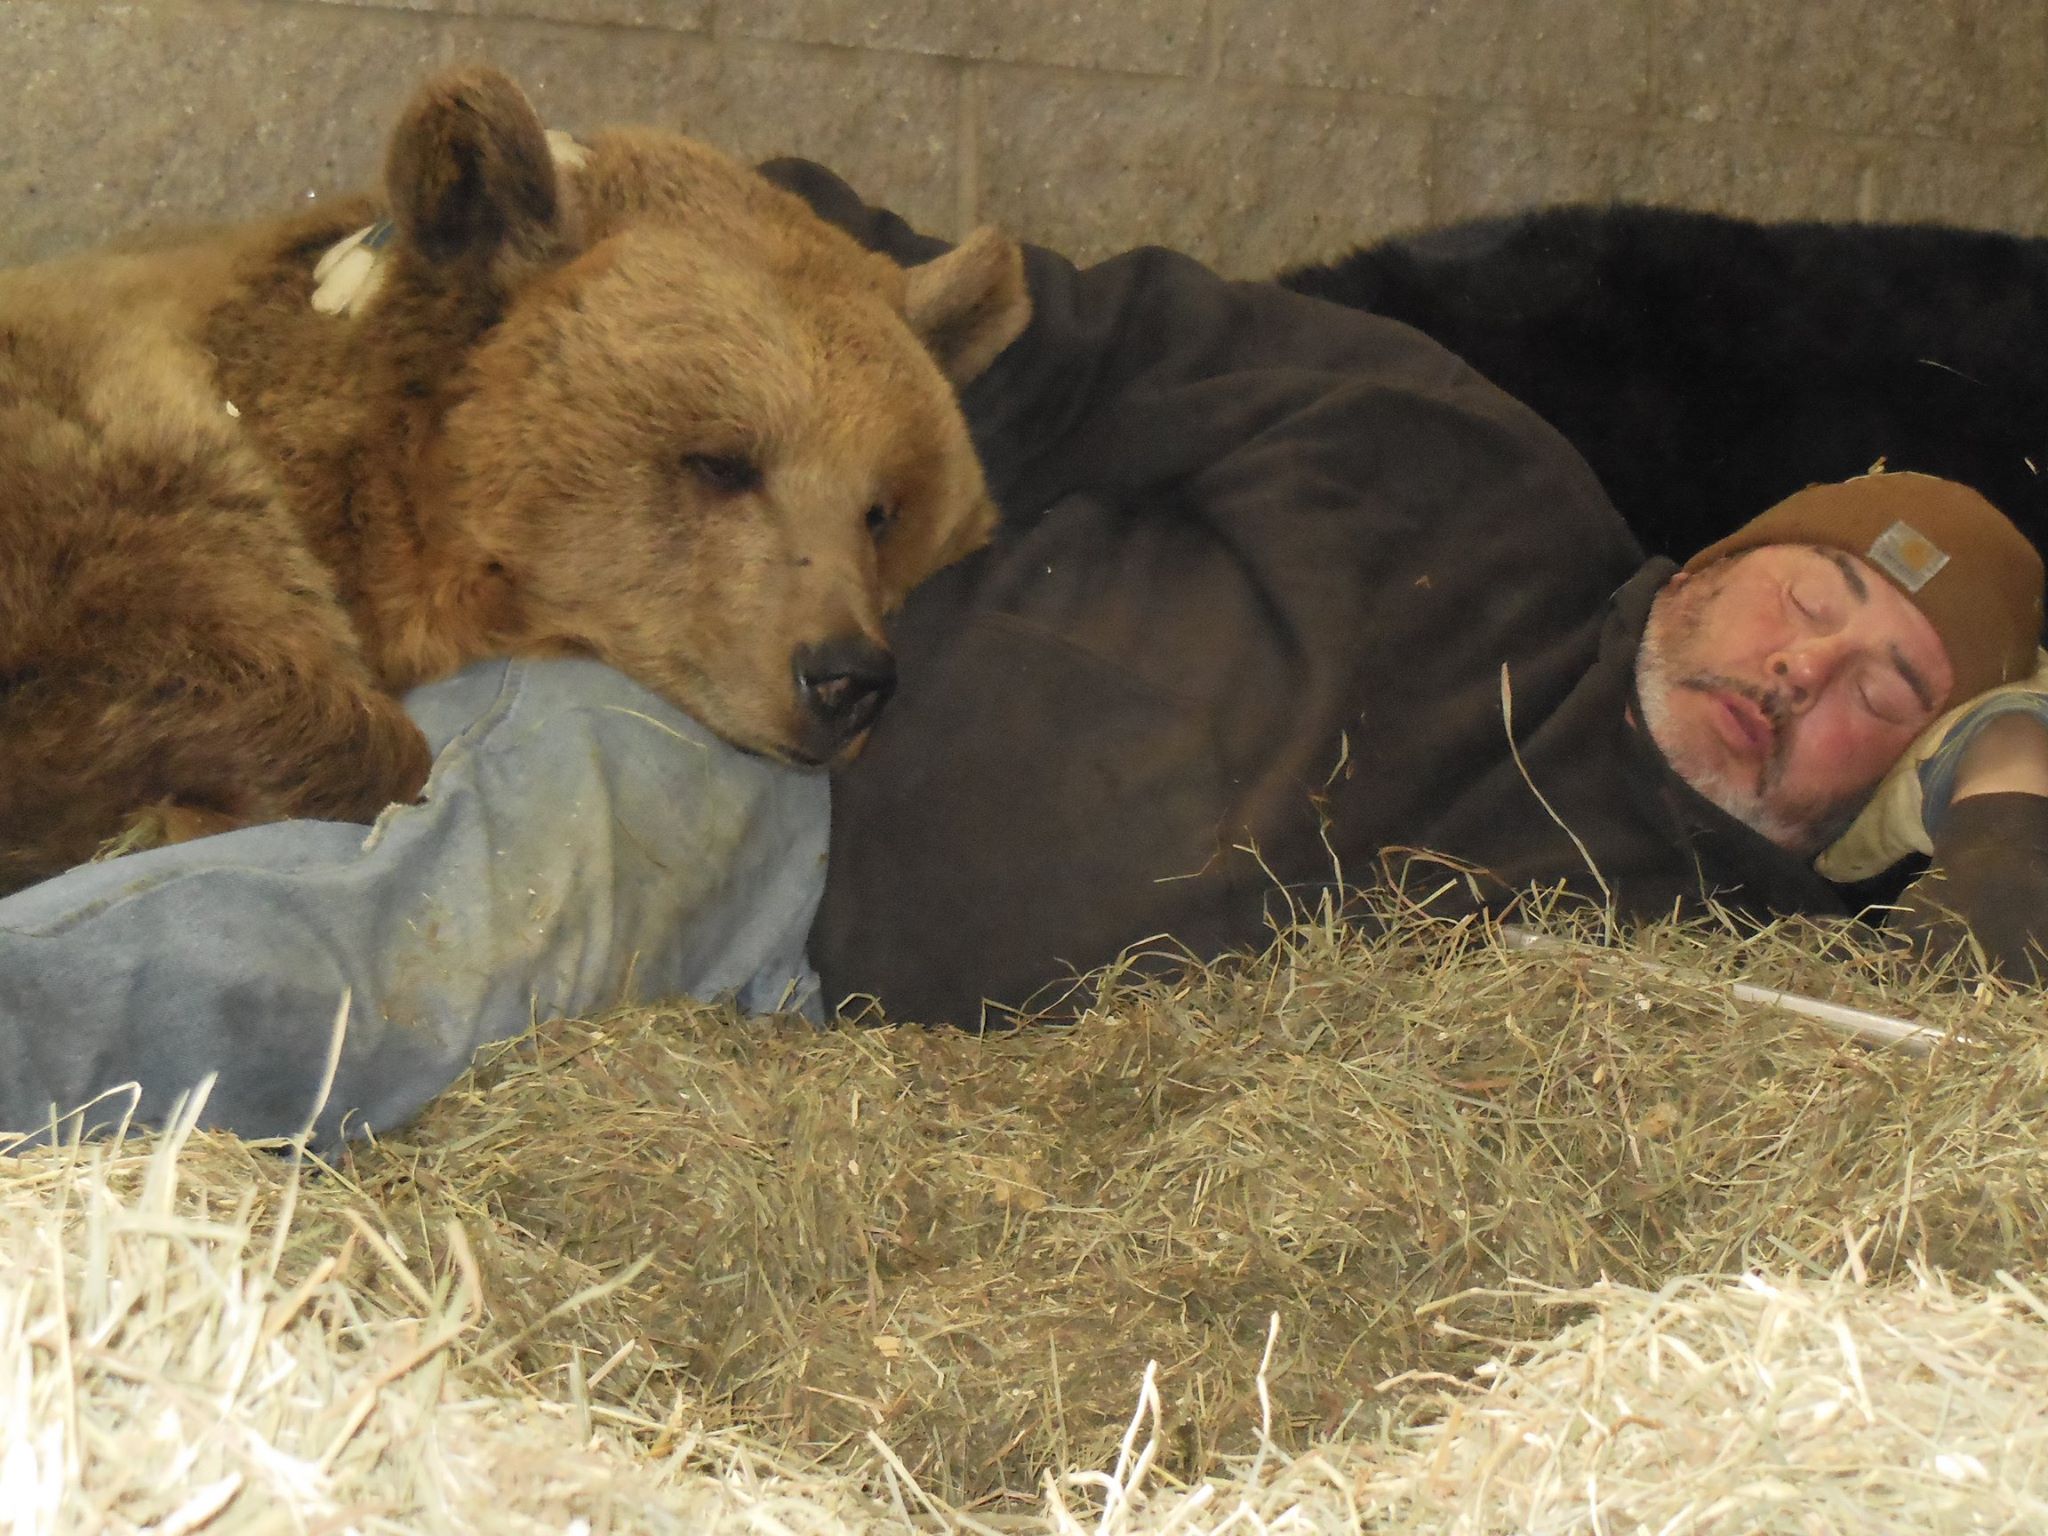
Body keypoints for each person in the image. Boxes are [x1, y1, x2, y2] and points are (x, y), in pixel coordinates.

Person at [3, 159, 2045, 1146]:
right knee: (396, 935)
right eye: (1814, 595)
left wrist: (2017, 775)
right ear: (1723, 552)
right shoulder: (1451, 466)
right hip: (785, 799)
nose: (1806, 674)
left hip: (867, 1143)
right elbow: (1017, 345)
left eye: (1885, 691)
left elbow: (1959, 1092)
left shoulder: (1721, 961)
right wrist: (687, 239)